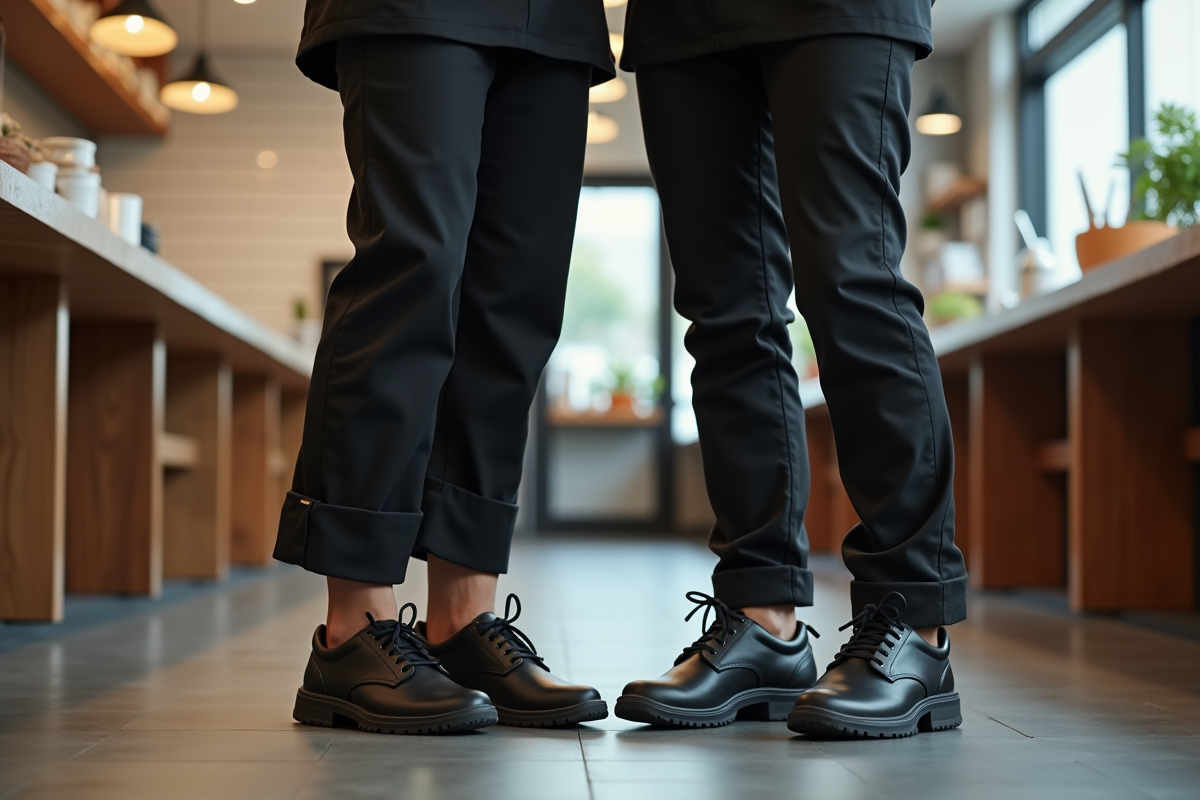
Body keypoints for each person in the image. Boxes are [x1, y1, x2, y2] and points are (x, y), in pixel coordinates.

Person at [613, 0, 969, 737]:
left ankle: (915, 622)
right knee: (725, 313)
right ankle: (761, 619)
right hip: (684, 22)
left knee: (852, 281)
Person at [272, 0, 616, 734]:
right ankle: (352, 629)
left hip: (553, 21)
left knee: (515, 302)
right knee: (413, 270)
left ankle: (462, 621)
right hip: (414, 7)